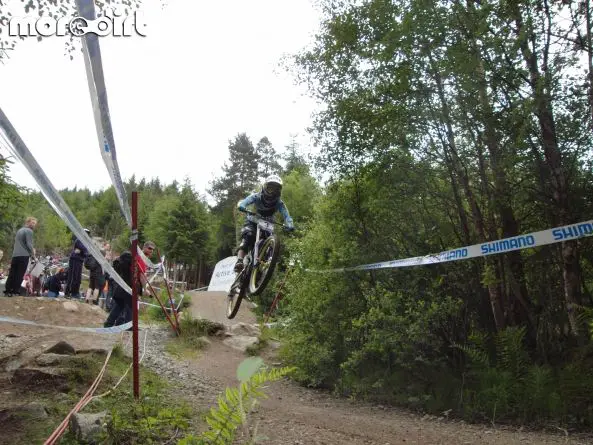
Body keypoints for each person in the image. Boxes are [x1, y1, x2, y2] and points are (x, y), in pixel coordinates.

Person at [234, 174, 294, 273]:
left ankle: (266, 264)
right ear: (265, 187)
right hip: (253, 221)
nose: (272, 192)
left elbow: (287, 215)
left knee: (271, 243)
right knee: (248, 235)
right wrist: (242, 205)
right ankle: (239, 261)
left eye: (275, 189)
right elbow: (245, 201)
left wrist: (289, 224)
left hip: (267, 225)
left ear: (279, 191)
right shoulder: (256, 196)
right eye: (270, 188)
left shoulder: (279, 203)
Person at [4, 216, 37, 297]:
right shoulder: (29, 231)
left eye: (35, 223)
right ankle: (15, 290)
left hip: (15, 255)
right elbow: (29, 244)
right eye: (32, 223)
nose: (34, 225)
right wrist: (33, 255)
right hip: (23, 255)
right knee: (19, 273)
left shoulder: (20, 230)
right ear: (28, 222)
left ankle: (8, 290)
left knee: (12, 273)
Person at [65, 228, 90, 299]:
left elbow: (86, 252)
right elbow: (85, 250)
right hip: (74, 259)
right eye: (85, 233)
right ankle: (68, 292)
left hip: (80, 260)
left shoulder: (86, 242)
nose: (86, 235)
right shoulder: (79, 240)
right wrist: (84, 251)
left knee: (78, 278)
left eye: (87, 233)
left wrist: (83, 251)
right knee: (72, 277)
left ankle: (75, 292)